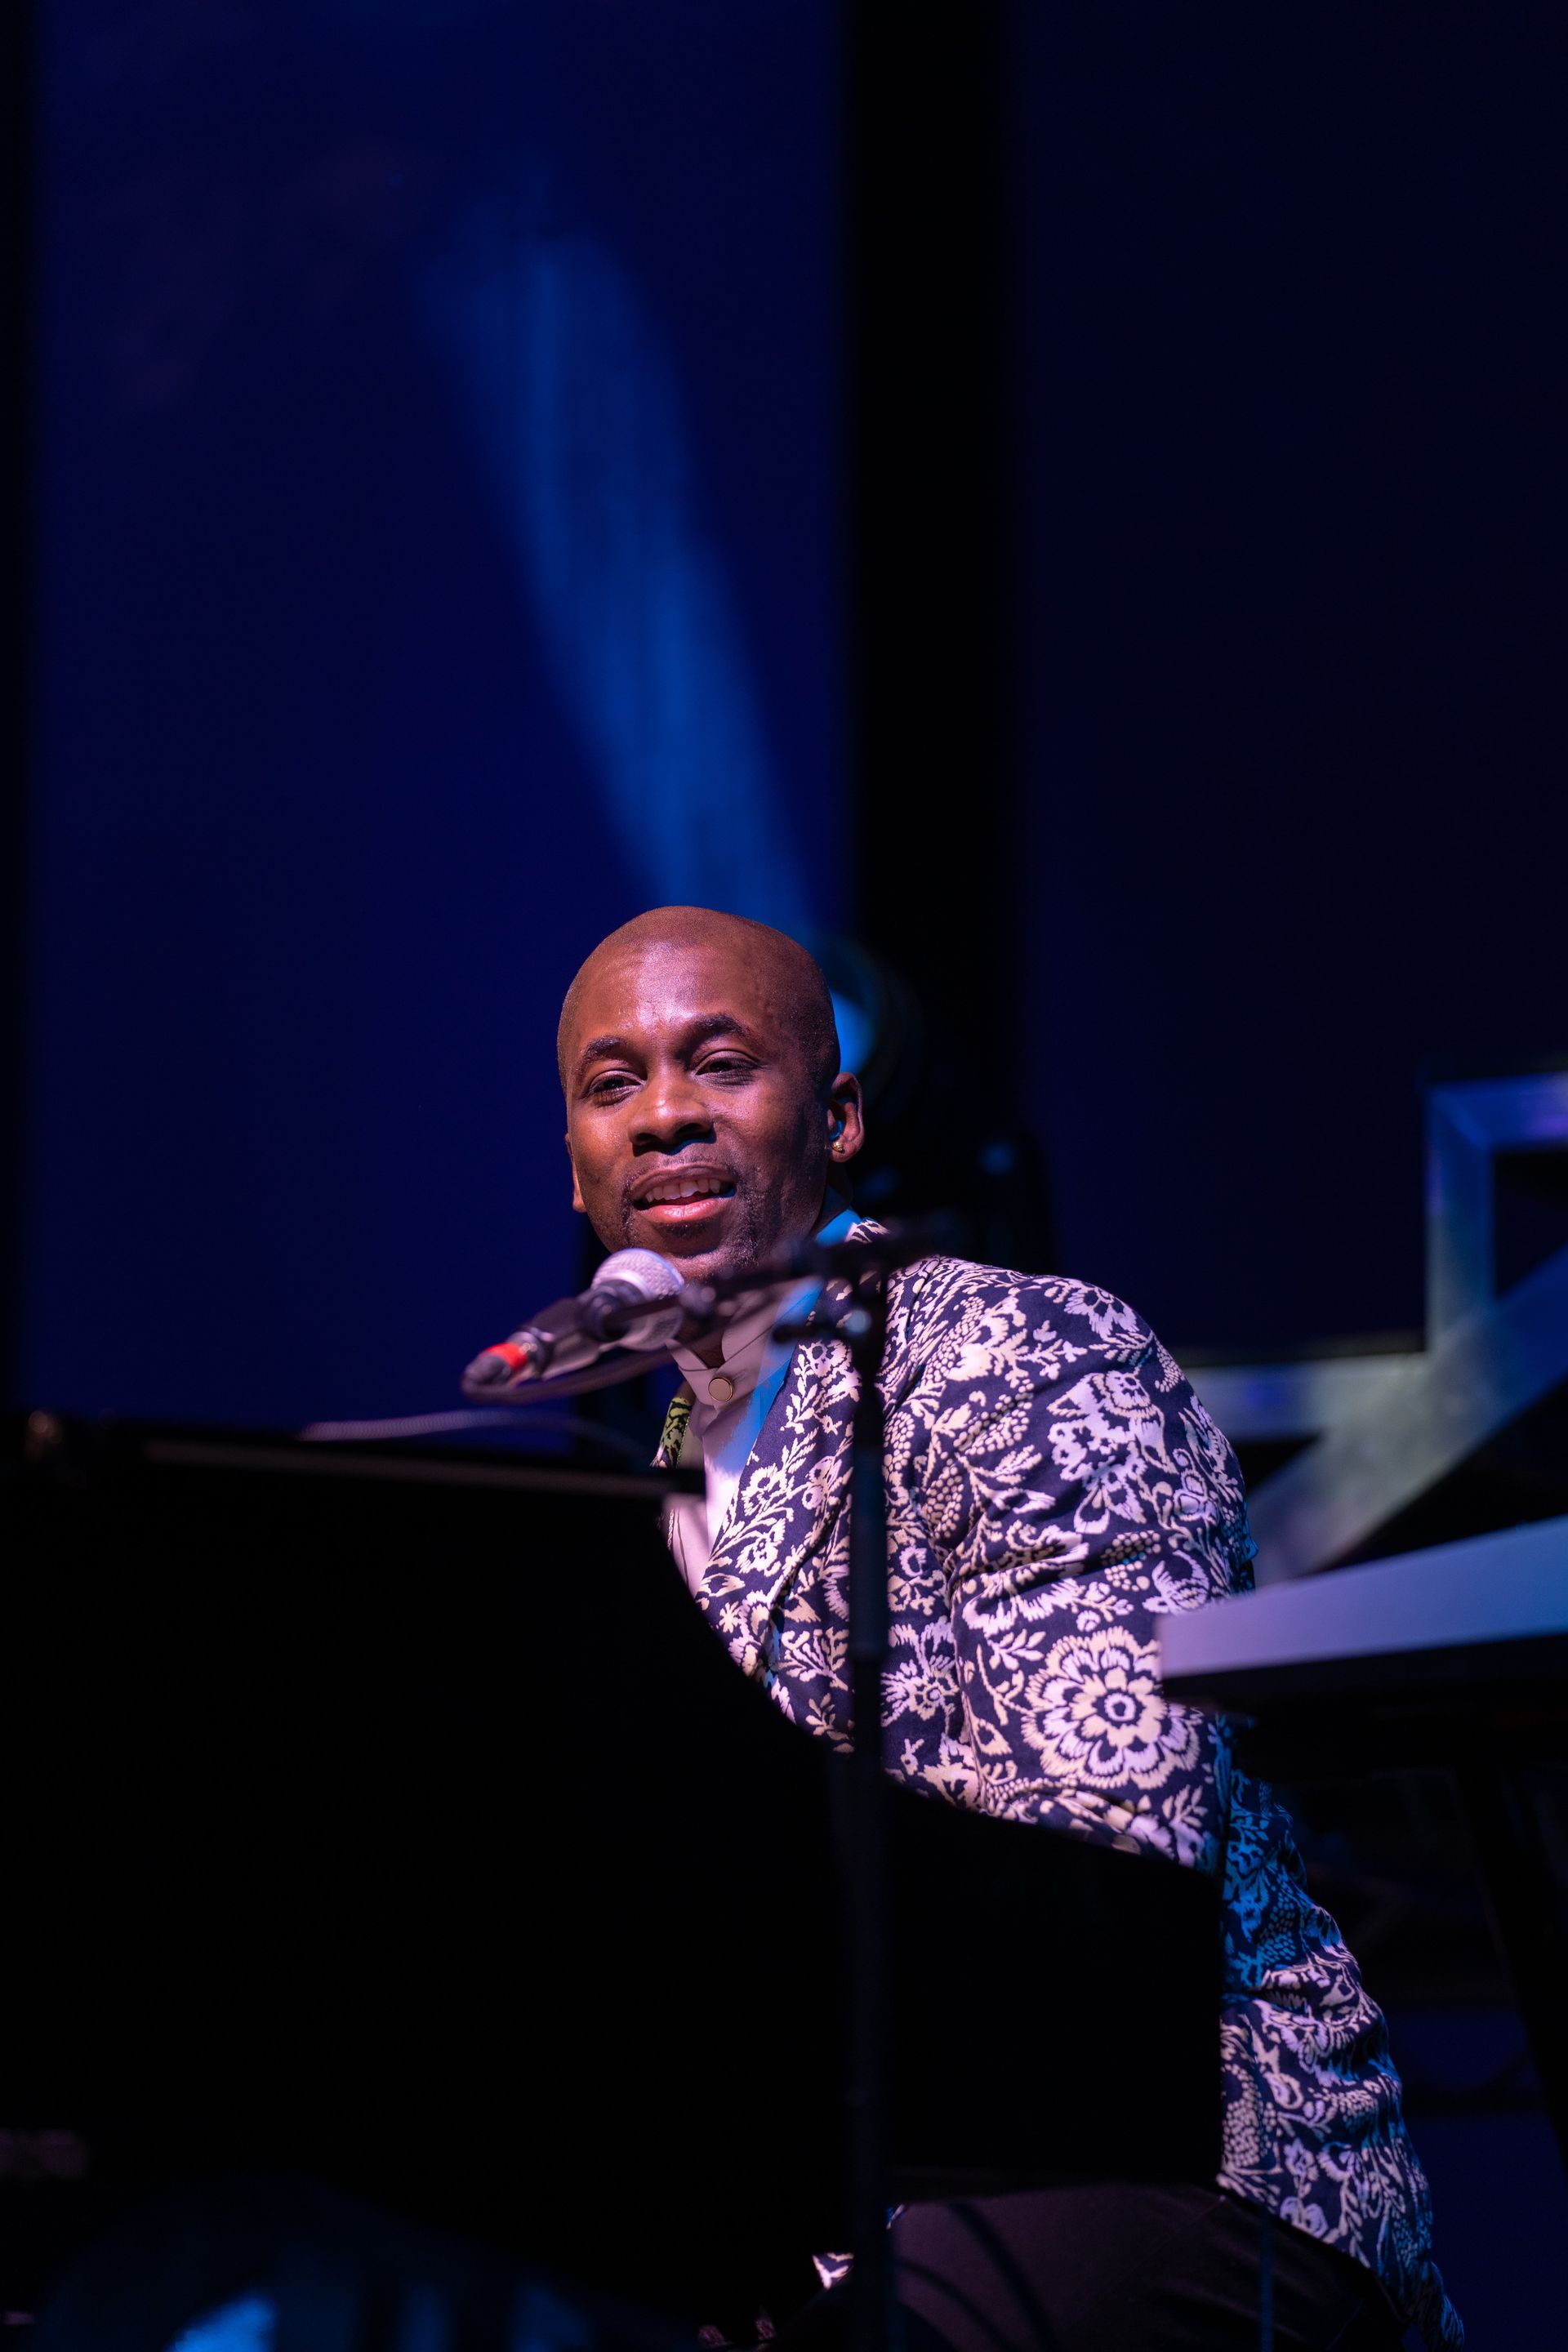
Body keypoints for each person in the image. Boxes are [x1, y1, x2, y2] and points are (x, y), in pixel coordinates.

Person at [557, 906, 1461, 2352]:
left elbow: (1107, 1878)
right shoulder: (654, 1458)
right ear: (579, 1162)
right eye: (614, 1085)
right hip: (830, 2199)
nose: (665, 1116)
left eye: (721, 1066)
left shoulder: (1021, 1351)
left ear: (838, 1116)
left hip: (1189, 2164)